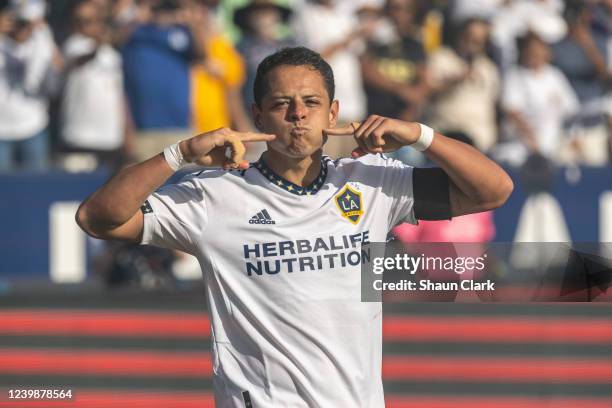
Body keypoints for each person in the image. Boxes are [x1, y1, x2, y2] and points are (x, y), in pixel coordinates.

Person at [76, 46, 513, 407]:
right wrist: (180, 155)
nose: (298, 115)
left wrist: (419, 134)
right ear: (258, 115)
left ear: (333, 112)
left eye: (311, 103)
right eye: (282, 104)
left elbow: (493, 190)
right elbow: (96, 218)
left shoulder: (374, 181)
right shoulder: (215, 195)